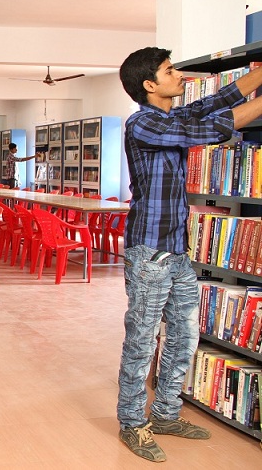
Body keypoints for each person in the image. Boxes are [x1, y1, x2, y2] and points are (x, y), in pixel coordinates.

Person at [116, 47, 262, 462]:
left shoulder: (170, 116)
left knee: (184, 337)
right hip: (149, 252)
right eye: (170, 71)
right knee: (142, 341)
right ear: (150, 84)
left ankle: (165, 414)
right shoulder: (142, 123)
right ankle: (132, 423)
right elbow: (211, 128)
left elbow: (217, 101)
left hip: (177, 251)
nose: (179, 75)